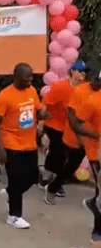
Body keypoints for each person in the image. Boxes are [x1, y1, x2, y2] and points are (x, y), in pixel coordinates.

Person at [0, 63, 50, 229]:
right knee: (16, 179)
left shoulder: (31, 91)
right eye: (27, 77)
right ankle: (14, 216)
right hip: (11, 142)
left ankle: (11, 194)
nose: (30, 80)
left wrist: (44, 114)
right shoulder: (5, 96)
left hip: (29, 142)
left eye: (32, 76)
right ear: (17, 77)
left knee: (33, 177)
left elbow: (37, 111)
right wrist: (0, 147)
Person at [44, 70, 101, 205]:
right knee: (71, 166)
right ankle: (52, 188)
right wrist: (86, 136)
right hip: (77, 136)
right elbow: (72, 117)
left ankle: (96, 201)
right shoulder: (81, 91)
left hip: (94, 139)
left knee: (97, 170)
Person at [40, 61, 87, 192]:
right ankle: (50, 179)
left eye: (84, 71)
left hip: (71, 127)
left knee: (71, 155)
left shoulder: (85, 88)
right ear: (72, 72)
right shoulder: (59, 87)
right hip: (55, 125)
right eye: (80, 70)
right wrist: (40, 122)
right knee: (58, 151)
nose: (83, 73)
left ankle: (55, 180)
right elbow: (45, 103)